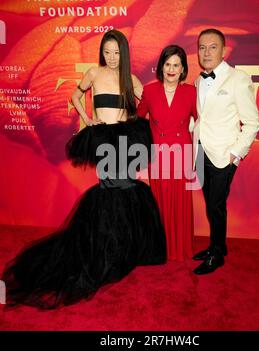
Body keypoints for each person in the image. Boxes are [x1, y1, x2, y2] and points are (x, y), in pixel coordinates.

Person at [2, 29, 167, 309]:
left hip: (127, 138)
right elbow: (76, 97)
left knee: (126, 187)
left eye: (117, 53)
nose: (112, 57)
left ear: (123, 53)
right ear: (101, 52)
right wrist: (87, 119)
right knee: (112, 187)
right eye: (107, 52)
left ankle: (123, 247)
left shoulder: (132, 79)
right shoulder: (93, 73)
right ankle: (110, 249)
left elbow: (150, 102)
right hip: (103, 138)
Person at [192, 28, 259, 275]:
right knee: (213, 205)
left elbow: (252, 123)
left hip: (223, 154)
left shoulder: (238, 79)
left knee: (216, 206)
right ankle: (216, 246)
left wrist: (235, 153)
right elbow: (200, 118)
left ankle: (217, 255)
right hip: (199, 151)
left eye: (212, 47)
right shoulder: (199, 80)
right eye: (202, 47)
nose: (206, 52)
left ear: (223, 50)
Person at [137, 45, 197, 262]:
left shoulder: (191, 92)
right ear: (161, 66)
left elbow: (201, 121)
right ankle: (161, 247)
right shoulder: (150, 90)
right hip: (158, 153)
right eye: (167, 64)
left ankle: (180, 247)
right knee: (160, 199)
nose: (171, 69)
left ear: (182, 69)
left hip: (181, 153)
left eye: (176, 65)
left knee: (180, 200)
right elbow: (138, 119)